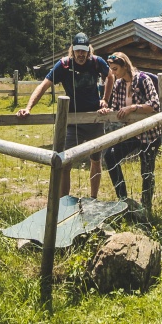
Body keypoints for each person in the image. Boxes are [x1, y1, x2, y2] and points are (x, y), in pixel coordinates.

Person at [16, 32, 109, 199]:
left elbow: (111, 76)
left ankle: (93, 198)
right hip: (72, 121)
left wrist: (105, 99)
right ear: (72, 50)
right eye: (77, 50)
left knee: (96, 160)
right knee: (66, 162)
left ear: (89, 51)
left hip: (94, 118)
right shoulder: (64, 65)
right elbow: (43, 86)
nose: (81, 54)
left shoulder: (96, 62)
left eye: (84, 51)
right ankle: (64, 202)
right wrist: (28, 107)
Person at [100, 51, 161, 210]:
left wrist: (133, 108)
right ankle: (123, 199)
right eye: (111, 69)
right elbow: (117, 108)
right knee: (110, 156)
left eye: (115, 69)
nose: (113, 73)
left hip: (149, 133)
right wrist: (108, 110)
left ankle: (146, 207)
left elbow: (155, 105)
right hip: (132, 132)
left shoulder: (143, 80)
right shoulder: (119, 84)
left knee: (146, 171)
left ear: (125, 67)